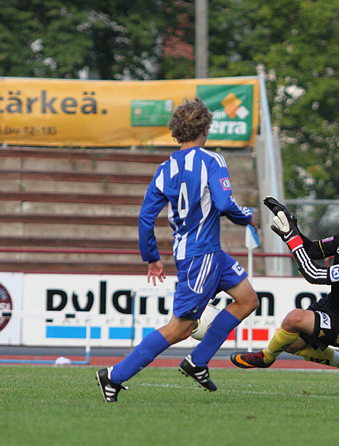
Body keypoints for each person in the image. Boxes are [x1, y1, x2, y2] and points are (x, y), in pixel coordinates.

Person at [96, 96, 259, 403]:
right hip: (202, 256)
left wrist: (152, 258)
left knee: (247, 300)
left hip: (204, 253)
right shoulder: (213, 161)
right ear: (205, 130)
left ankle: (197, 362)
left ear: (176, 131)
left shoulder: (164, 168)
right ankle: (114, 375)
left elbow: (145, 216)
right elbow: (224, 204)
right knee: (179, 328)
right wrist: (247, 216)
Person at [230, 192, 339, 395]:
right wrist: (294, 230)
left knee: (294, 318)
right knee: (289, 343)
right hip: (331, 308)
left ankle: (264, 358)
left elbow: (313, 274)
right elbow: (313, 250)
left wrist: (291, 238)